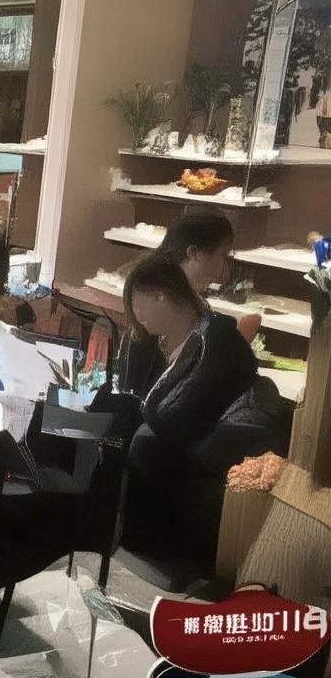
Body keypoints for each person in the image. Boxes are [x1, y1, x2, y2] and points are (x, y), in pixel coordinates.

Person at [120, 256, 283, 564]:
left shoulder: (214, 336)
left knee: (143, 441)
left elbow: (166, 415)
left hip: (228, 444)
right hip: (210, 437)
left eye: (138, 303)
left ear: (160, 296)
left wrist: (152, 400)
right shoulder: (192, 334)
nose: (137, 315)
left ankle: (150, 547)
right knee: (138, 437)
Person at [118, 210, 259, 397]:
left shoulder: (183, 299)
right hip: (152, 409)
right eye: (222, 256)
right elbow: (178, 379)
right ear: (193, 252)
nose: (222, 271)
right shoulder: (161, 299)